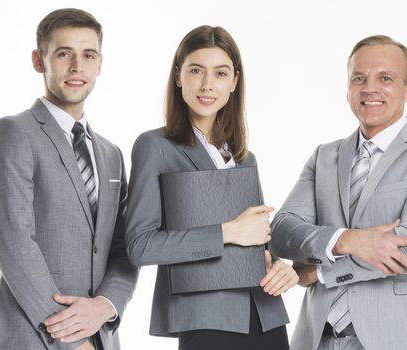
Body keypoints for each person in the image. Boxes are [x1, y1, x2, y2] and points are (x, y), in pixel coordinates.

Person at [269, 34, 407, 350]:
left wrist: (317, 273)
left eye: (385, 78)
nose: (369, 88)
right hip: (315, 339)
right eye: (359, 78)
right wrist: (350, 240)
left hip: (397, 339)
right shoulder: (324, 157)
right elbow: (282, 232)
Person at [124, 25, 297, 350]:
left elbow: (258, 241)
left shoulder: (245, 158)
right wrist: (226, 232)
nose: (207, 85)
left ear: (234, 81)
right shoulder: (155, 147)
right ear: (178, 76)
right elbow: (140, 246)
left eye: (220, 73)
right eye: (195, 71)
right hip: (206, 318)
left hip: (265, 313)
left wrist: (280, 268)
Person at [0, 8, 139, 350]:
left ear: (100, 64)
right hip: (32, 336)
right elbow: (16, 246)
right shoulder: (12, 133)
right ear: (39, 61)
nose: (77, 67)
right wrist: (73, 340)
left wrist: (106, 306)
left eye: (88, 55)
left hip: (102, 340)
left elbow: (123, 247)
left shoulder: (111, 154)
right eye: (64, 53)